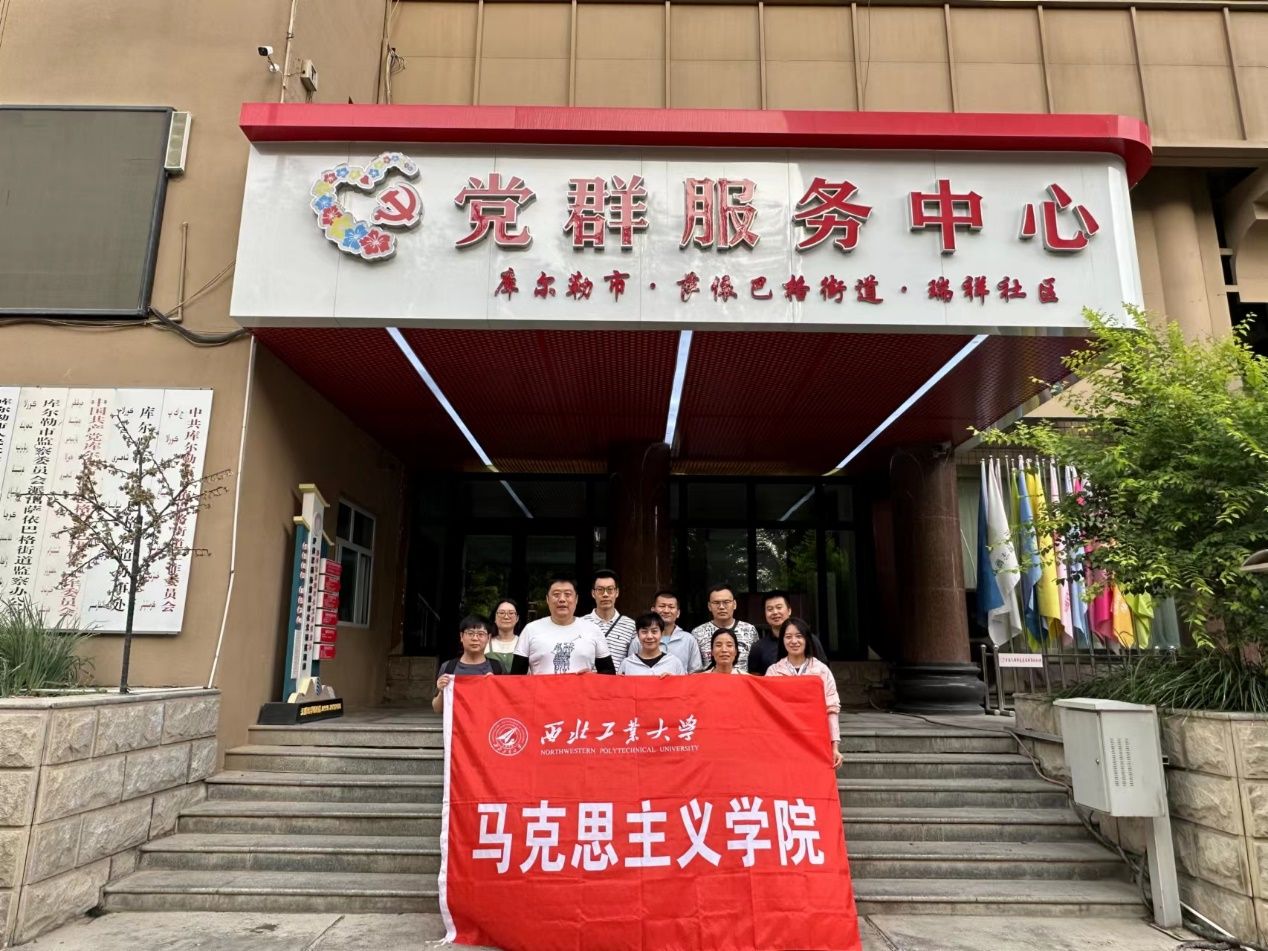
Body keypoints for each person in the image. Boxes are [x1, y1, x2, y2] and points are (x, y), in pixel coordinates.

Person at [764, 617, 843, 769]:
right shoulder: (773, 671)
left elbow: (832, 709)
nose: (794, 641)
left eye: (799, 636)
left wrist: (835, 747)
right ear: (782, 641)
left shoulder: (822, 671)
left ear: (807, 639)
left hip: (815, 739)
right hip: (782, 741)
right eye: (788, 637)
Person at [512, 575, 615, 674]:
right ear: (547, 599)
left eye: (568, 594)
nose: (562, 599)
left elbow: (609, 673)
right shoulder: (531, 630)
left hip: (582, 687)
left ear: (576, 599)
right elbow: (515, 677)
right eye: (556, 594)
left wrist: (592, 677)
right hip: (542, 687)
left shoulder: (593, 630)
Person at [747, 590, 827, 677]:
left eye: (779, 607)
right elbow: (756, 681)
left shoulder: (808, 639)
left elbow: (824, 673)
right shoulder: (758, 648)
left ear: (789, 610)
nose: (775, 612)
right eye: (770, 609)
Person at [433, 615, 503, 713]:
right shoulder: (448, 667)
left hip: (486, 722)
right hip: (457, 722)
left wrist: (495, 687)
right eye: (470, 633)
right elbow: (437, 709)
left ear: (489, 638)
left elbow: (505, 706)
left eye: (481, 634)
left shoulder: (497, 667)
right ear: (461, 636)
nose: (475, 638)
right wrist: (441, 691)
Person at [690, 583, 758, 673]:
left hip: (741, 680)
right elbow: (695, 670)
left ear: (734, 604)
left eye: (726, 602)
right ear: (709, 606)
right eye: (716, 603)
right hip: (710, 681)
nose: (721, 607)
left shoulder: (750, 630)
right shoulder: (697, 633)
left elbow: (756, 667)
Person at [634, 589, 703, 673]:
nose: (666, 611)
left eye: (671, 607)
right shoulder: (639, 640)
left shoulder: (688, 640)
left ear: (678, 613)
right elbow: (631, 668)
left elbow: (696, 672)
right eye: (662, 606)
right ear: (653, 610)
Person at [580, 569, 637, 659]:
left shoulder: (631, 626)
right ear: (593, 593)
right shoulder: (581, 623)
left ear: (617, 592)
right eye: (600, 590)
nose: (605, 594)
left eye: (610, 589)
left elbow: (634, 660)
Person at [617, 612, 687, 677]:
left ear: (662, 634)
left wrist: (673, 681)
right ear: (638, 634)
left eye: (654, 631)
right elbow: (619, 686)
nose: (649, 636)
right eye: (644, 632)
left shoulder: (674, 662)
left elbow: (684, 685)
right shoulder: (627, 664)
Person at [486, 597, 520, 670]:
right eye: (501, 613)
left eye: (511, 613)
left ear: (517, 618)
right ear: (494, 618)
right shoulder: (485, 643)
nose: (506, 617)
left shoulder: (524, 643)